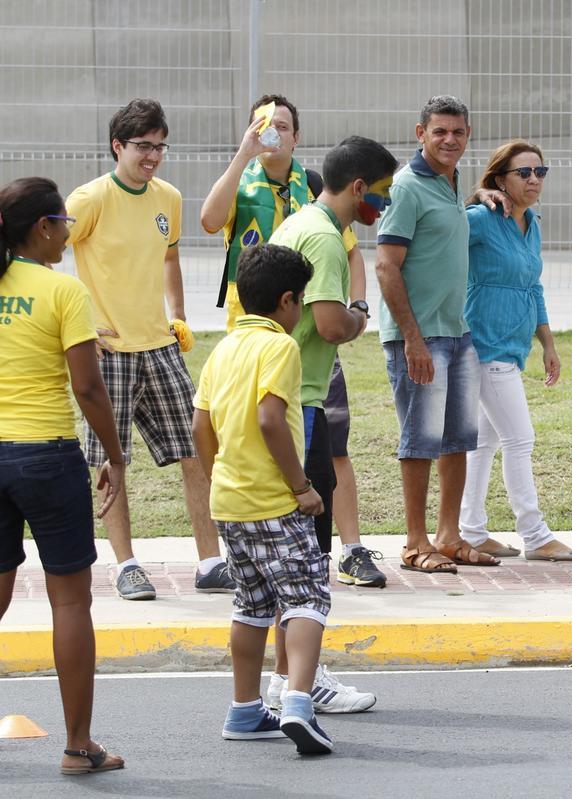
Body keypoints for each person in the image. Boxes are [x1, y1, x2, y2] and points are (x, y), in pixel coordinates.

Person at [199, 94, 386, 589]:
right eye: (264, 125)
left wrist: (360, 304)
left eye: (282, 124)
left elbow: (351, 257)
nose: (274, 132)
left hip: (292, 352)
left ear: (298, 135)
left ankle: (346, 550)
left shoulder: (314, 192)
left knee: (326, 448)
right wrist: (243, 153)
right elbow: (210, 220)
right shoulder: (245, 183)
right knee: (292, 489)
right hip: (269, 344)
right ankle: (299, 596)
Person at [65, 98, 232, 599]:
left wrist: (178, 314)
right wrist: (82, 326)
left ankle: (209, 562)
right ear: (118, 146)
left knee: (199, 451)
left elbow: (169, 257)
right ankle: (126, 565)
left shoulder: (169, 197)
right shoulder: (88, 199)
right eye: (142, 146)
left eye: (160, 146)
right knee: (111, 462)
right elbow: (45, 249)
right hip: (108, 352)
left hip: (160, 347)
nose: (153, 156)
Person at [265, 135, 395, 715]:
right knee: (309, 558)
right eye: (382, 195)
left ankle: (282, 678)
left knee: (285, 556)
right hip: (302, 403)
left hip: (281, 395)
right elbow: (331, 324)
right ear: (359, 188)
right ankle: (304, 683)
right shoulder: (323, 237)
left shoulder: (299, 223)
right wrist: (361, 313)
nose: (383, 208)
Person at [0, 177, 126, 774]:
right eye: (63, 223)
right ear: (42, 228)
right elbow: (87, 386)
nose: (68, 234)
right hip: (46, 457)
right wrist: (115, 455)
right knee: (70, 603)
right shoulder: (61, 290)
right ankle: (79, 748)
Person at [192, 243, 333, 755]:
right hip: (276, 501)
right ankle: (298, 702)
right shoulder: (280, 348)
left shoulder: (224, 347)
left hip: (229, 504)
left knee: (250, 606)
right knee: (307, 598)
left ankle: (245, 709)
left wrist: (219, 477)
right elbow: (271, 419)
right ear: (288, 301)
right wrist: (302, 487)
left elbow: (200, 425)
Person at [375, 95, 494, 573]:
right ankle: (414, 542)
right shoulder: (405, 187)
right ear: (419, 133)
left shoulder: (449, 180)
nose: (450, 140)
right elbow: (385, 266)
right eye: (440, 131)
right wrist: (413, 338)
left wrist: (477, 199)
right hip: (421, 339)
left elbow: (442, 228)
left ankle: (448, 536)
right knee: (420, 440)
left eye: (458, 132)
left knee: (458, 439)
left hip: (457, 332)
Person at [459, 141, 572, 562]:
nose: (534, 180)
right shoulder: (480, 219)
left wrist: (548, 342)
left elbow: (533, 286)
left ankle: (472, 532)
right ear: (500, 180)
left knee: (485, 442)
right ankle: (535, 534)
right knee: (520, 439)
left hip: (512, 347)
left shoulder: (532, 223)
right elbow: (441, 232)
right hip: (482, 343)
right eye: (524, 173)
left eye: (540, 172)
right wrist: (474, 198)